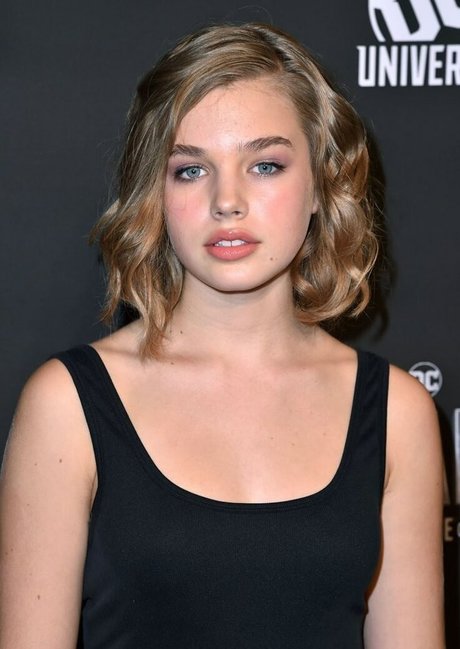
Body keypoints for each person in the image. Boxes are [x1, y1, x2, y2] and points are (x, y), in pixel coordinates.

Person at [0, 22, 444, 649]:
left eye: (265, 165)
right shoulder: (67, 405)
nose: (227, 201)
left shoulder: (397, 411)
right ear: (155, 194)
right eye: (190, 170)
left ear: (322, 185)